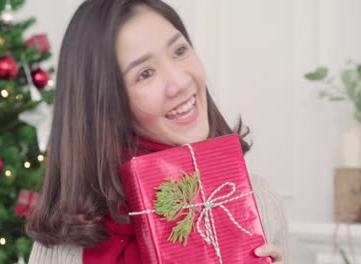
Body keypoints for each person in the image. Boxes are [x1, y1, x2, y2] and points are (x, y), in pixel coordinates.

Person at [26, 0, 288, 263]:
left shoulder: (257, 201)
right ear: (106, 105)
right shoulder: (67, 240)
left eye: (179, 51)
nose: (180, 82)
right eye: (145, 73)